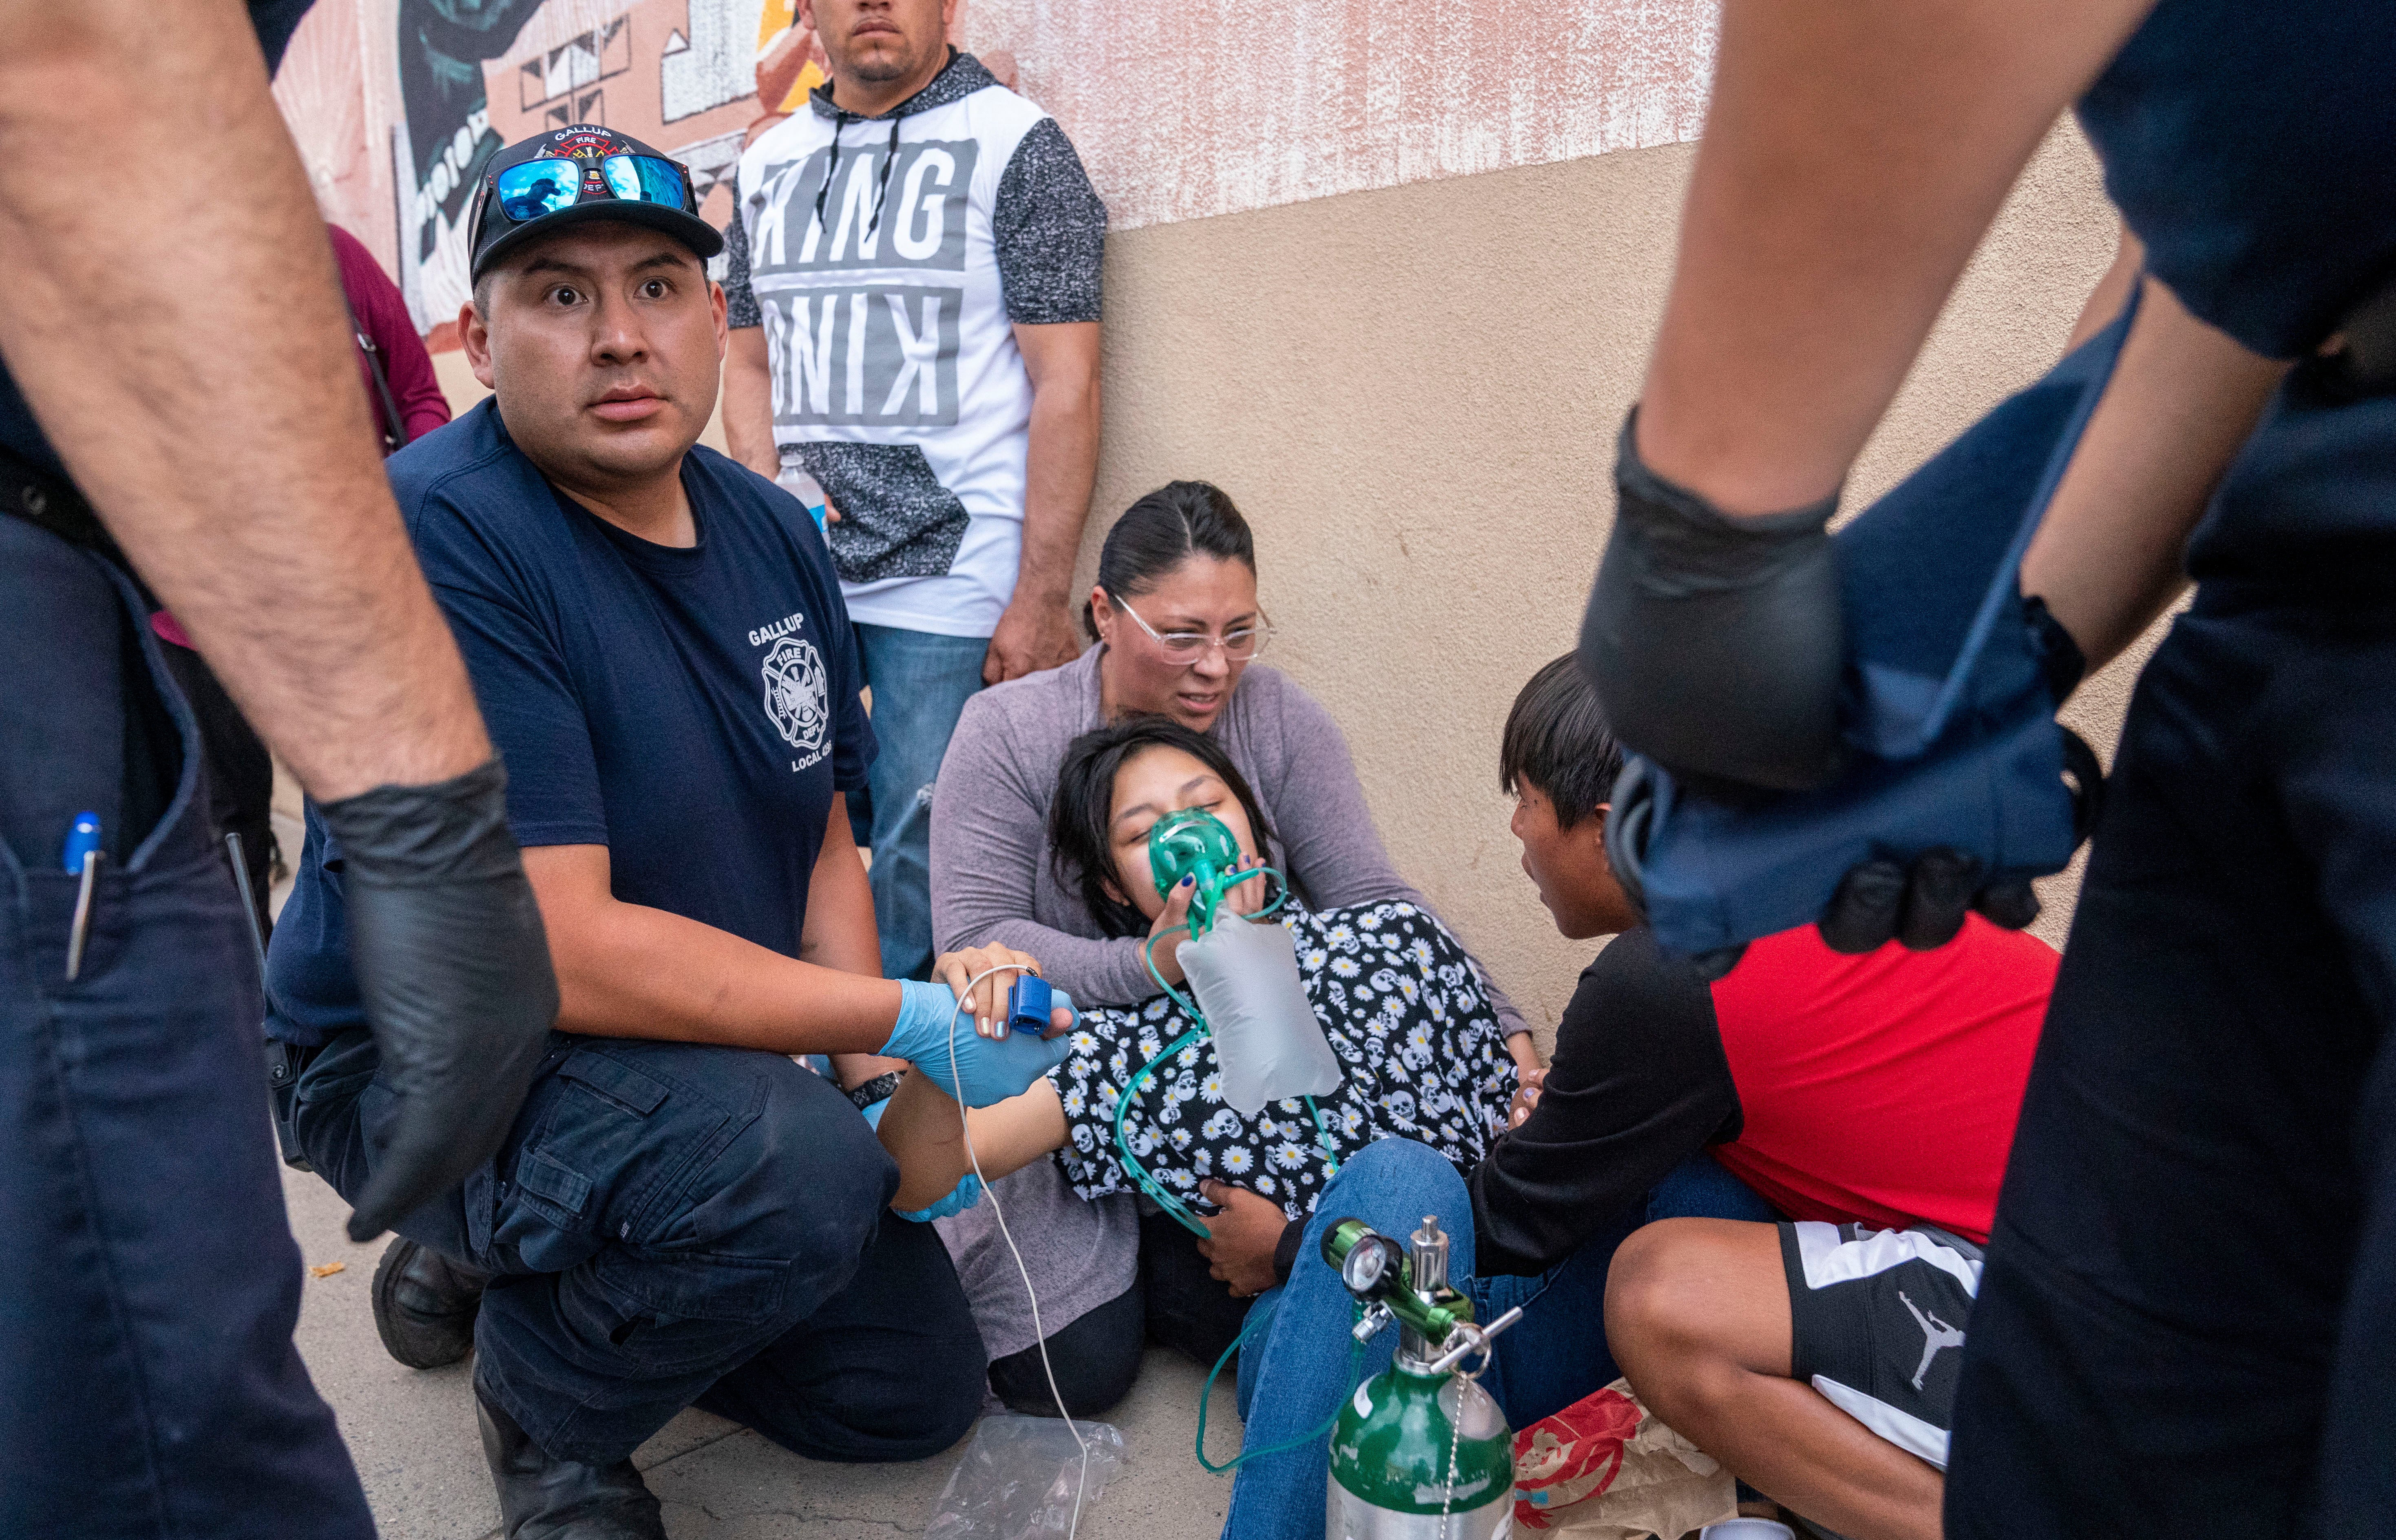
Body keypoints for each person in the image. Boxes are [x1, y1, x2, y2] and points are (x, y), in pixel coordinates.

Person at [1568, 1, 2394, 1533]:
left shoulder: (1642, 992)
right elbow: (2240, 264)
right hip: (2286, 576)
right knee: (2089, 1456)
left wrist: (1712, 513)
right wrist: (1986, 657)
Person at [264, 124, 1076, 1540]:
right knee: (793, 1175)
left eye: (655, 285)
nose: (618, 338)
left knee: (906, 1386)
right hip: (422, 1059)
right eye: (559, 295)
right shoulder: (441, 537)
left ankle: (539, 1255)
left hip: (673, 1053)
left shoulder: (775, 532)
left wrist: (876, 1071)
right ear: (473, 338)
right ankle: (545, 1388)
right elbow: (562, 951)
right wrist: (908, 1010)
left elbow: (826, 834)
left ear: (716, 315)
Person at [0, 5, 558, 1535]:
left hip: (146, 588)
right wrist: (421, 804)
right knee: (158, 1430)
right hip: (98, 603)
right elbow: (74, 59)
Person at [1216, 656, 2057, 1540]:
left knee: (1416, 1211)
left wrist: (1289, 1245)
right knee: (1695, 1193)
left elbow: (1509, 1216)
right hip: (2054, 1264)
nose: (1515, 828)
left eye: (1529, 801)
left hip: (2057, 1317)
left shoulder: (1680, 974)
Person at [928, 480, 1546, 1400]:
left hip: (1242, 1063)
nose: (1215, 667)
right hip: (1072, 1047)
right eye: (1181, 635)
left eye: (1239, 632)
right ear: (1103, 613)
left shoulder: (1280, 723)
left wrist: (1512, 1046)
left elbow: (1377, 901)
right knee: (1070, 1365)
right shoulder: (1010, 733)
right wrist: (1146, 965)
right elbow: (977, 940)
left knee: (1322, 1278)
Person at [879, 716, 1527, 1418]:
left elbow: (1513, 1128)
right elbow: (917, 1182)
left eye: (1208, 806)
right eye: (1141, 832)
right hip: (1336, 1333)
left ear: (1252, 825)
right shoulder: (1119, 1048)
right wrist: (944, 1038)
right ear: (1116, 887)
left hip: (1492, 1283)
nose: (1189, 840)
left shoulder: (1395, 937)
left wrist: (1288, 1242)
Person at [719, 0, 1107, 992]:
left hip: (956, 568)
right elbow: (749, 361)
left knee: (918, 850)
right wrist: (765, 501)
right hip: (796, 565)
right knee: (777, 821)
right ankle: (810, 1057)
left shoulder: (1015, 143)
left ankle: (900, 1096)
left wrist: (1039, 592)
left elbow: (1068, 381)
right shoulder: (765, 166)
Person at [150, 220, 455, 939]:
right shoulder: (145, 278)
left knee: (380, 803)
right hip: (200, 608)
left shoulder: (333, 256)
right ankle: (258, 1021)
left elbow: (418, 393)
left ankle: (399, 986)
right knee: (228, 825)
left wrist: (411, 509)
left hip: (349, 592)